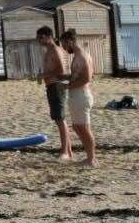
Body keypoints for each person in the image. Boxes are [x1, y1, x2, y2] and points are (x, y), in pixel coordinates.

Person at [62, 29, 97, 167]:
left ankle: (91, 159)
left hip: (81, 95)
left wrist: (67, 87)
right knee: (77, 127)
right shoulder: (77, 56)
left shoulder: (82, 56)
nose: (64, 48)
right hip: (77, 95)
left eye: (64, 44)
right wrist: (62, 78)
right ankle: (90, 157)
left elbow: (87, 78)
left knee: (84, 128)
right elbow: (77, 75)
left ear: (70, 41)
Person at [37, 26, 72, 161]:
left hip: (57, 86)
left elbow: (61, 71)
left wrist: (43, 75)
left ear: (49, 36)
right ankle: (68, 151)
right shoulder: (49, 51)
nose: (39, 41)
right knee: (59, 119)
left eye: (41, 37)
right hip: (52, 85)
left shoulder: (55, 50)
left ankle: (65, 152)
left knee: (60, 119)